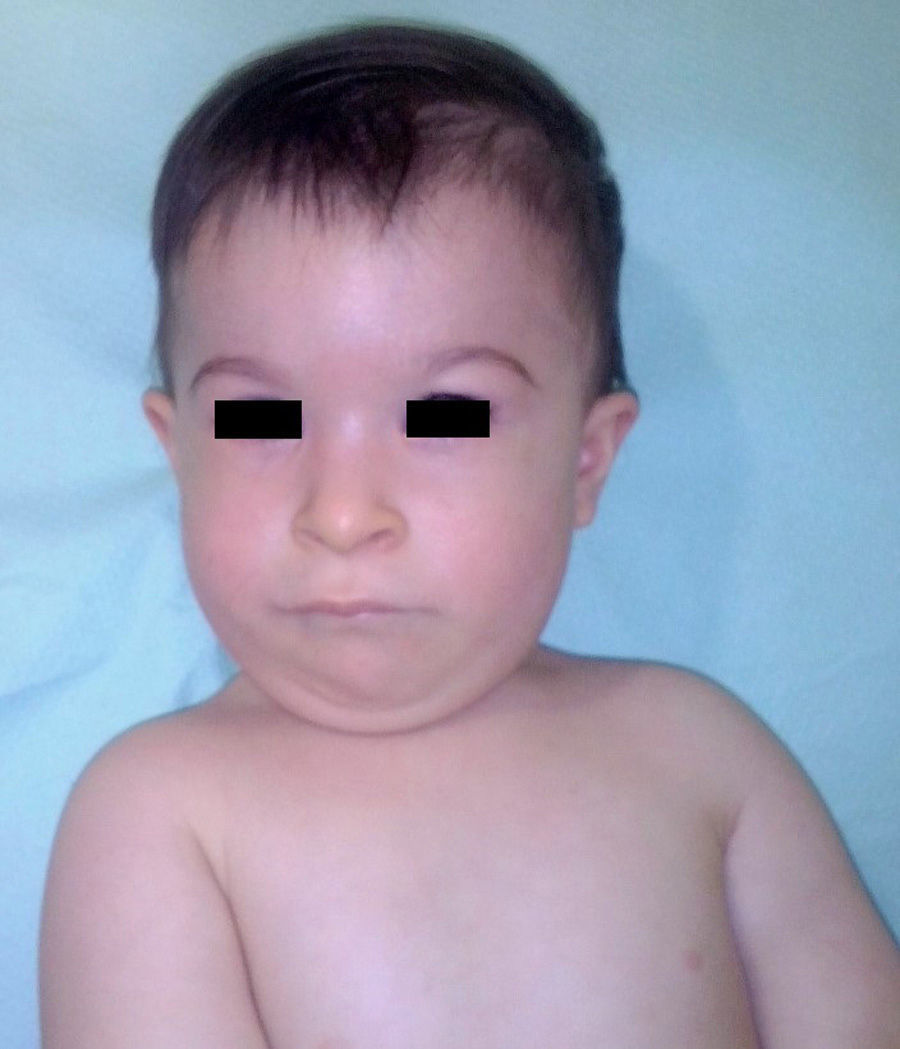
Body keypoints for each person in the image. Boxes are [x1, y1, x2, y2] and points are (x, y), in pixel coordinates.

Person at [39, 20, 900, 1048]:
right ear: (178, 450)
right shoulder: (161, 809)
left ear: (586, 462)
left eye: (445, 417)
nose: (342, 513)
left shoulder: (700, 748)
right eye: (258, 419)